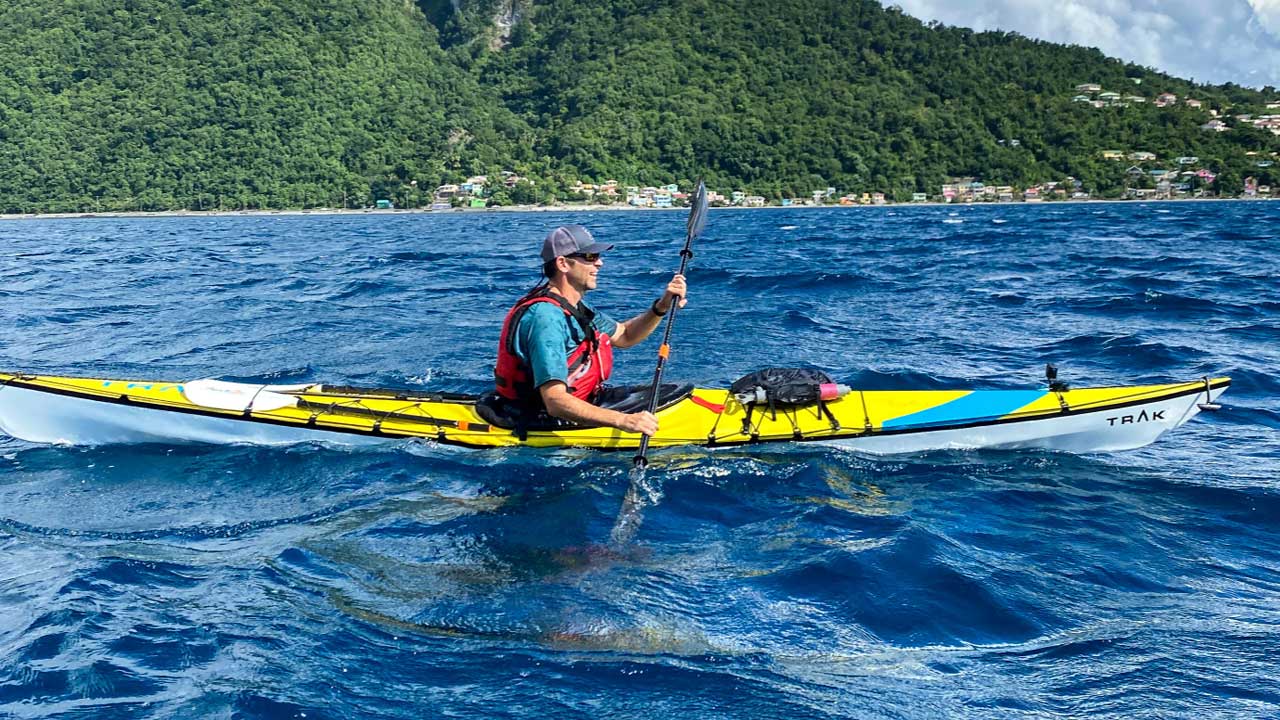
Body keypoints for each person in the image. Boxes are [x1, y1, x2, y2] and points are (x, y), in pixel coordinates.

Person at [493, 224, 687, 436]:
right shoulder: (545, 318)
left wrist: (661, 307)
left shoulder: (574, 307)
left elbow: (625, 335)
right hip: (542, 417)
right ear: (563, 264)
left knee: (674, 392)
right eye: (590, 256)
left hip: (584, 399)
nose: (600, 263)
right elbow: (555, 401)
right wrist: (624, 421)